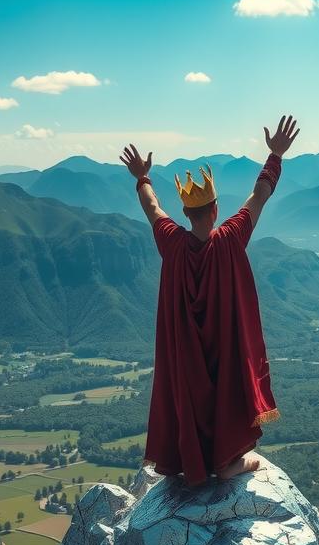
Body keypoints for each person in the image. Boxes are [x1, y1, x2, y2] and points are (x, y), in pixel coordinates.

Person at [120, 116, 300, 484]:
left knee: (189, 392)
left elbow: (151, 207)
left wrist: (142, 177)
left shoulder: (172, 242)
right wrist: (275, 155)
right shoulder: (231, 238)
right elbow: (260, 194)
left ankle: (192, 462)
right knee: (226, 388)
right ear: (215, 209)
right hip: (225, 345)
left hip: (186, 352)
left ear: (185, 213)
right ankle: (228, 460)